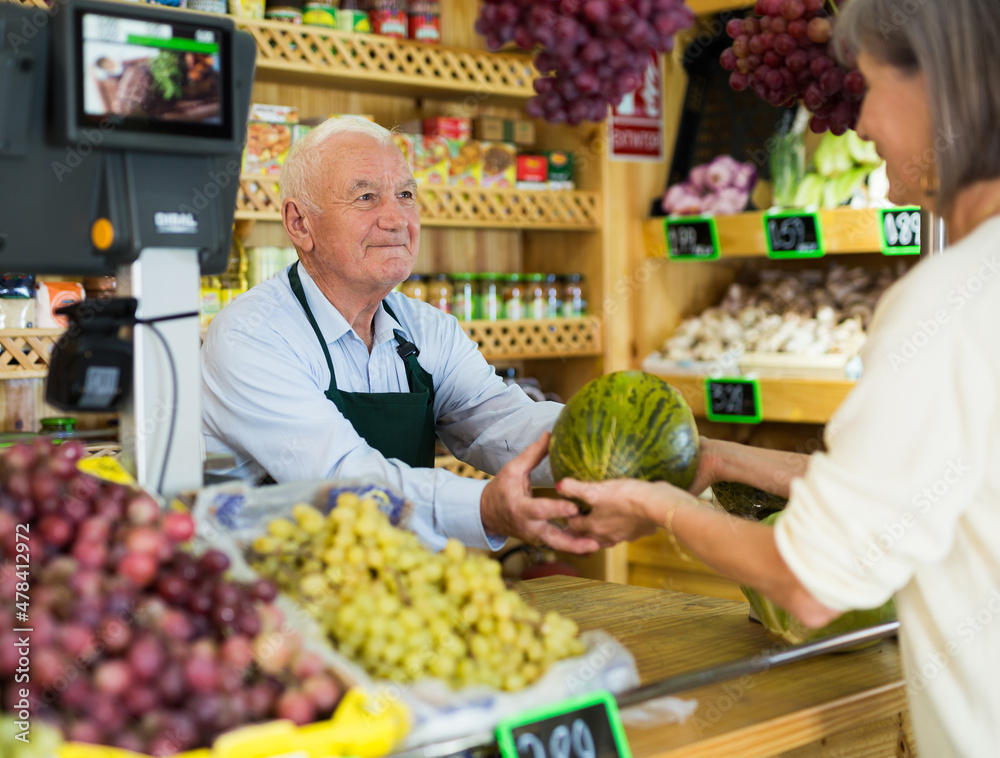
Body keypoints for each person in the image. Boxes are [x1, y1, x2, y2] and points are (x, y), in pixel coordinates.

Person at [555, 1, 1000, 755]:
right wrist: (723, 461)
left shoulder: (948, 301)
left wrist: (659, 506)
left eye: (870, 88)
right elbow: (908, 488)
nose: (860, 125)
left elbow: (809, 582)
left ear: (940, 88)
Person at [201, 117, 598, 555]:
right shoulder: (252, 334)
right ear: (299, 224)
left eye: (405, 195)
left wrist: (618, 446)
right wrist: (484, 507)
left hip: (391, 591)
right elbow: (340, 480)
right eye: (365, 196)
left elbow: (502, 424)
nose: (395, 219)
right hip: (268, 600)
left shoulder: (428, 329)